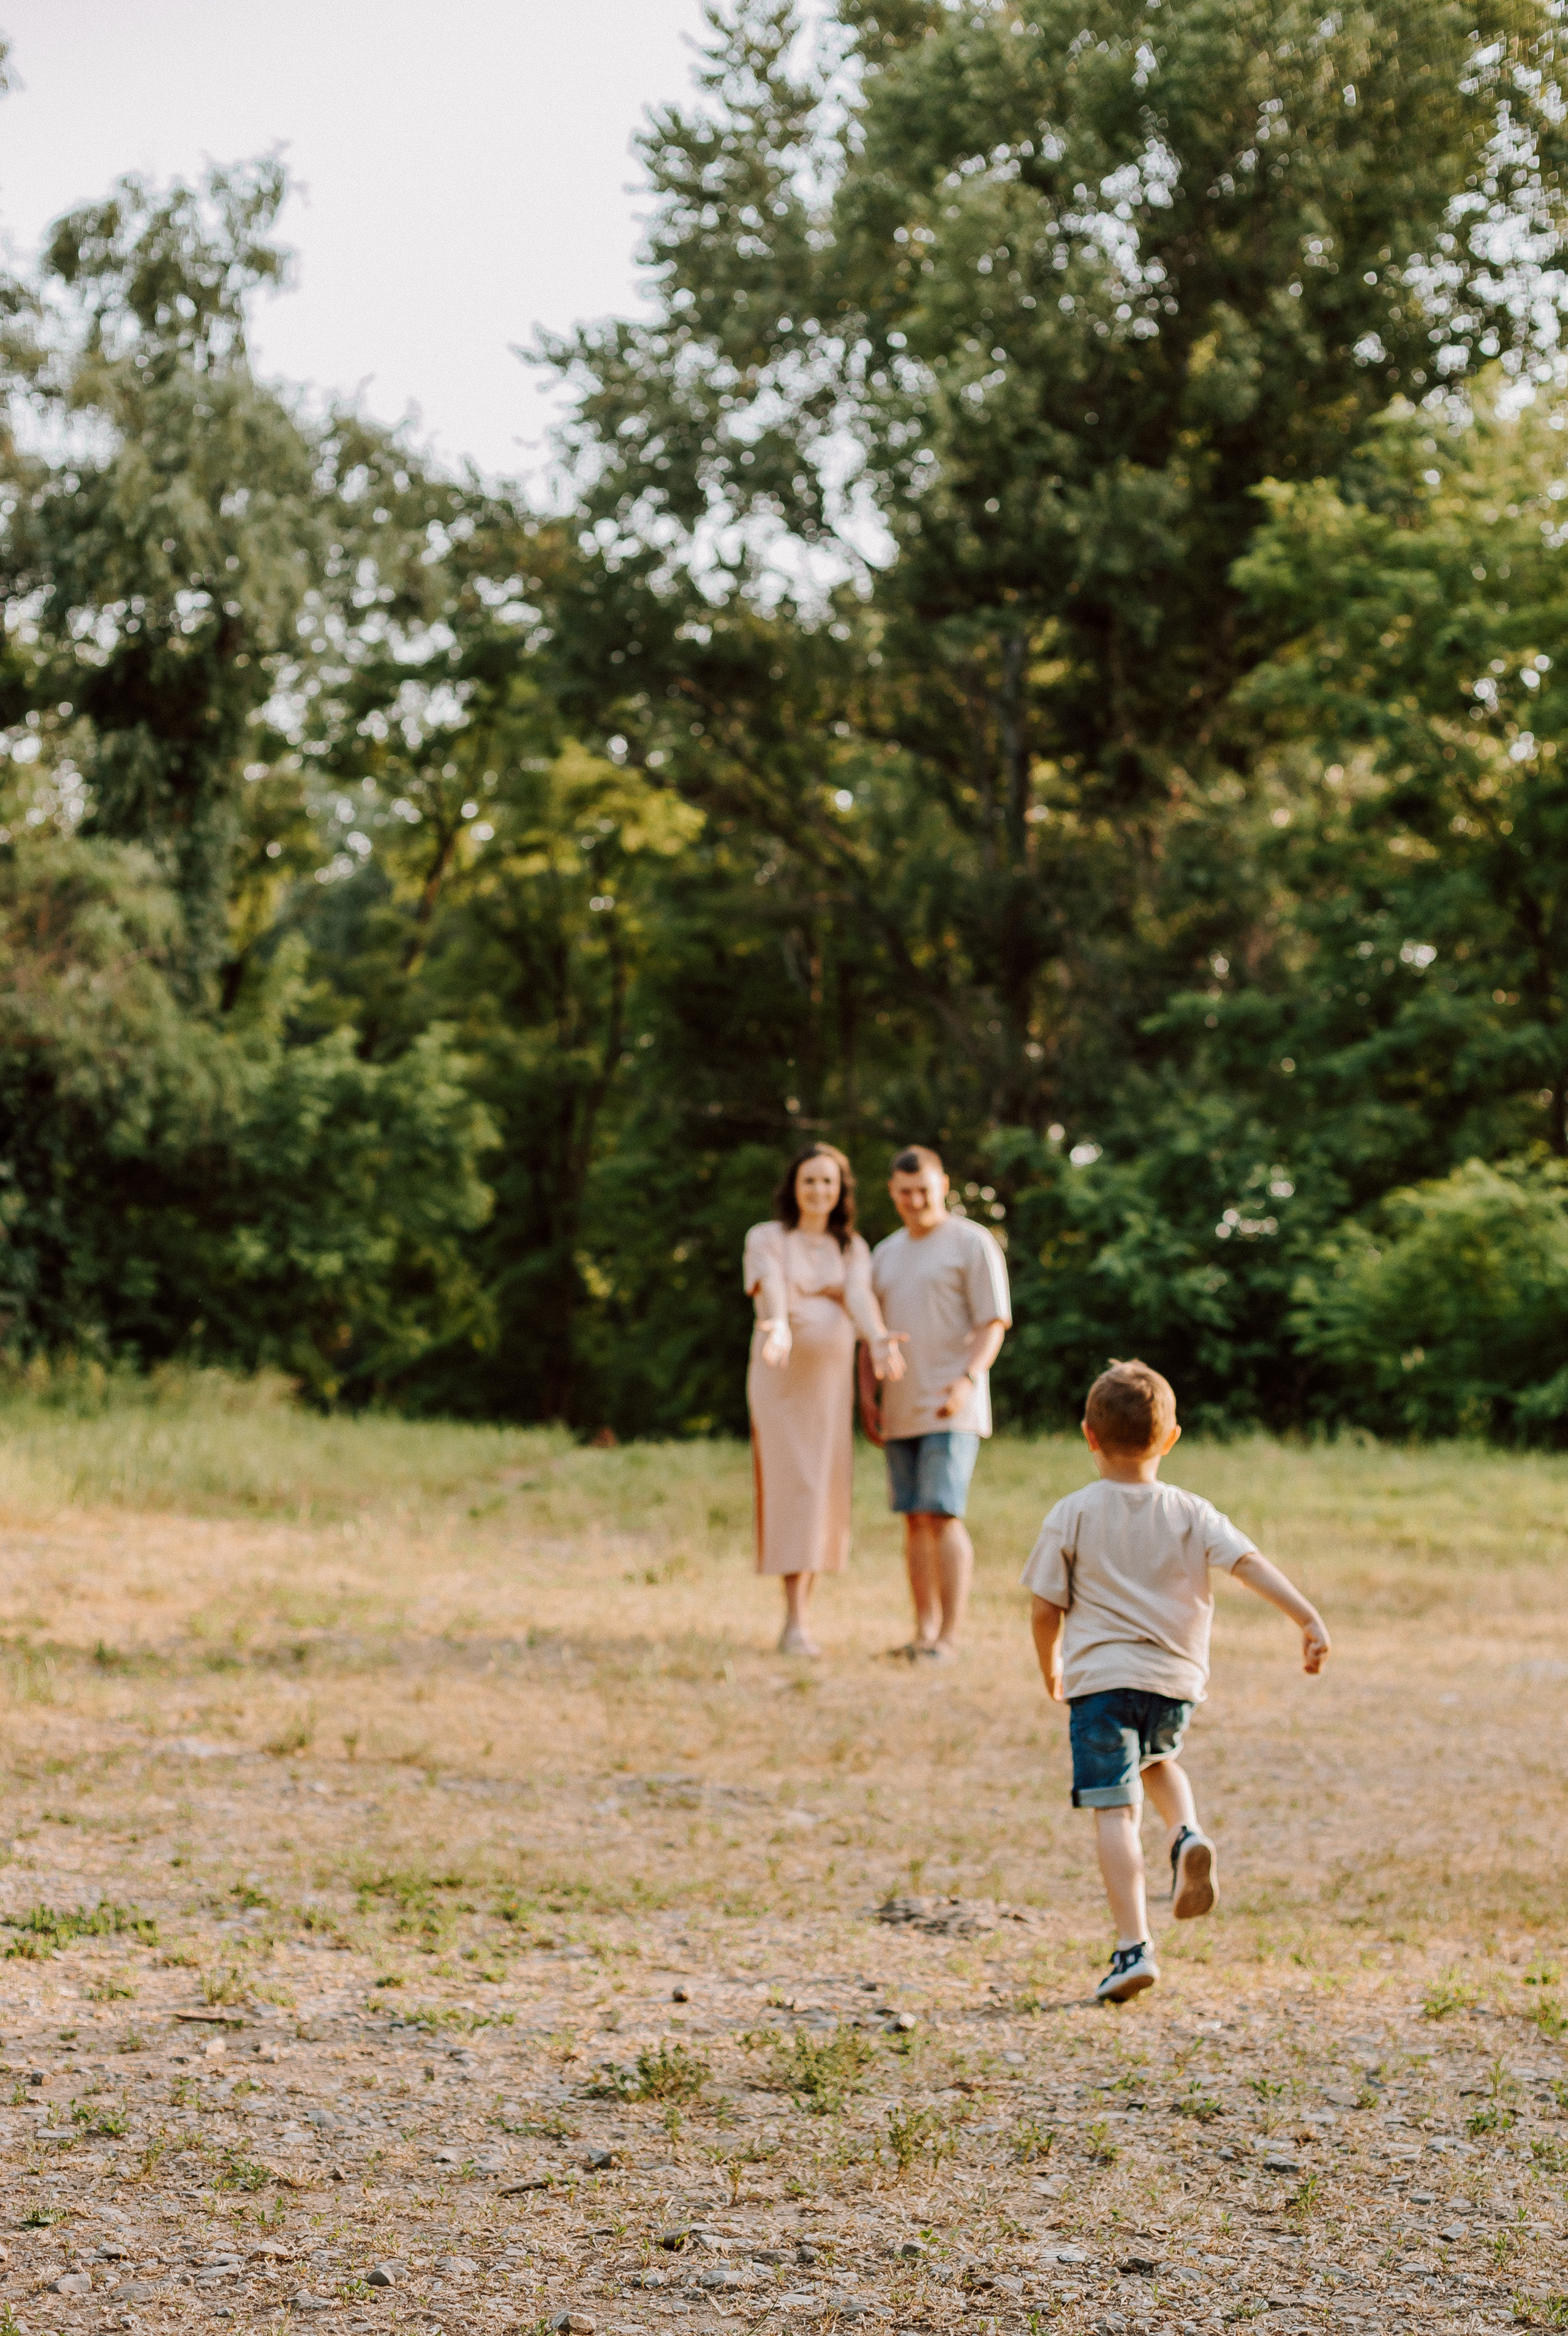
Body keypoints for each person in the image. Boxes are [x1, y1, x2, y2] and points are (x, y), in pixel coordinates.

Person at [1022, 1358, 1331, 2004]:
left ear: (1088, 1435)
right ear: (1170, 1439)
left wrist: (1049, 1666)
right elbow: (1247, 1564)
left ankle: (1132, 1947)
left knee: (1115, 1807)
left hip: (1101, 1682)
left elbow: (1044, 1606)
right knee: (1160, 1758)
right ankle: (1186, 1833)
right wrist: (1305, 1616)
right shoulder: (1190, 1510)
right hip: (1172, 1682)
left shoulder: (1072, 1513)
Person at [744, 1143, 904, 1656]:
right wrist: (779, 1327)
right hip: (781, 1377)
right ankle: (793, 1619)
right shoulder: (767, 1237)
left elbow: (859, 1296)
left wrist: (878, 1338)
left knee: (820, 1489)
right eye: (809, 1180)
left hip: (830, 1387)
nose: (819, 1191)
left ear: (841, 1192)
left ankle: (801, 1618)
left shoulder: (852, 1247)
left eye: (828, 1182)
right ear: (794, 1186)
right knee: (791, 1484)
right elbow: (770, 1287)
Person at [861, 1145, 1011, 1657]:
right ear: (892, 1193)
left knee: (943, 1513)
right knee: (913, 1519)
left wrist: (967, 1380)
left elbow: (992, 1322)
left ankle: (948, 1638)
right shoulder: (885, 1253)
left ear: (943, 1185)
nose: (915, 1200)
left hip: (953, 1405)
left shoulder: (972, 1243)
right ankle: (922, 1633)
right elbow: (871, 1334)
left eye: (923, 1190)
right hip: (899, 1407)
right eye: (905, 1193)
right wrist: (868, 1397)